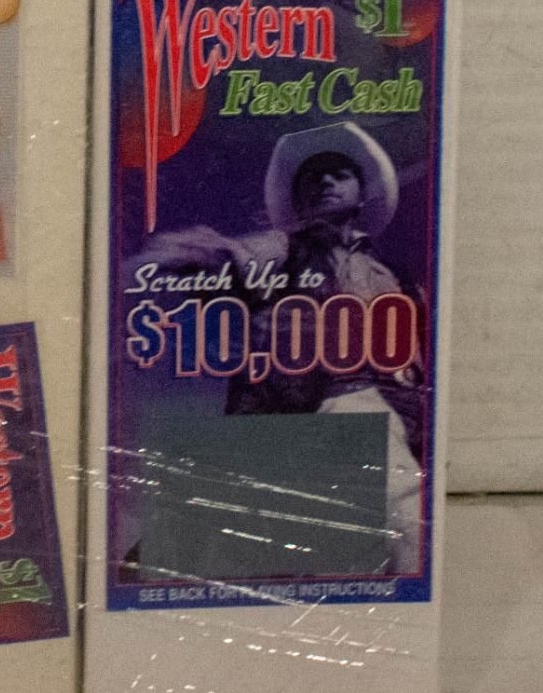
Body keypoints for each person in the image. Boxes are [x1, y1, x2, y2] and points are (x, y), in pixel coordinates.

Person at [133, 122, 426, 576]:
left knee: (387, 527)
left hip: (383, 416)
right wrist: (180, 258)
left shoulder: (396, 276)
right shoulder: (283, 248)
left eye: (339, 174)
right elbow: (228, 258)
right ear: (301, 199)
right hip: (305, 412)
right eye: (313, 177)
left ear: (361, 193)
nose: (325, 182)